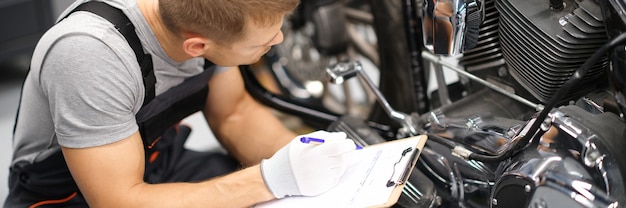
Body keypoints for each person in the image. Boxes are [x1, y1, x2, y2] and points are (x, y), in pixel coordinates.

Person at [4, 0, 360, 207]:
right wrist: (272, 177)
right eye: (262, 45)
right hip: (72, 197)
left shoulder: (207, 19)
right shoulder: (90, 55)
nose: (279, 39)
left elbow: (234, 114)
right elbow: (119, 201)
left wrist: (318, 164)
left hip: (159, 163)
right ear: (197, 47)